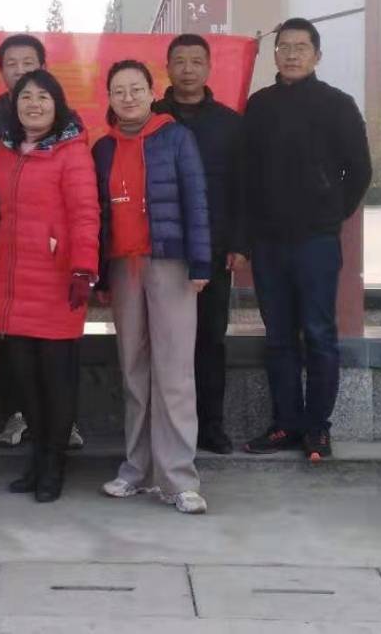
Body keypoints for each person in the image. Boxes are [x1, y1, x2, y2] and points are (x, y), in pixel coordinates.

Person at [236, 18, 372, 463]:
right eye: (285, 47)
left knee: (318, 333)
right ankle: (285, 424)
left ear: (317, 55)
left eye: (301, 47)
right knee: (278, 336)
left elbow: (360, 170)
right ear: (275, 55)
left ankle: (317, 428)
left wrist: (330, 213)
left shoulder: (337, 105)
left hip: (316, 242)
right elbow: (246, 175)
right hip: (269, 243)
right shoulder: (259, 106)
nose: (292, 54)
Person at [93, 60, 211, 515]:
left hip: (170, 263)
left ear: (151, 92)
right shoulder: (103, 148)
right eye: (118, 91)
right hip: (124, 267)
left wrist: (201, 261)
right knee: (133, 369)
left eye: (135, 89)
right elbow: (99, 215)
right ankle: (136, 470)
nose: (128, 98)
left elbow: (196, 200)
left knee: (174, 372)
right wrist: (99, 273)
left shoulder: (176, 137)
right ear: (108, 97)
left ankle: (178, 478)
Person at [0, 70, 99, 502]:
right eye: (26, 97)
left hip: (57, 282)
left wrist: (83, 269)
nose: (34, 104)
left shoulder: (72, 151)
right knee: (25, 382)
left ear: (58, 104)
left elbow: (85, 213)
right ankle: (36, 460)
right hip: (11, 284)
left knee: (56, 383)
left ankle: (54, 465)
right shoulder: (3, 151)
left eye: (43, 97)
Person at [0, 33, 84, 451]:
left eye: (28, 63)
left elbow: (83, 206)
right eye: (12, 64)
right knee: (8, 345)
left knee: (55, 355)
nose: (20, 71)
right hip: (4, 257)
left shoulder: (69, 128)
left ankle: (61, 429)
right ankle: (17, 417)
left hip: (51, 263)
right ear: (1, 71)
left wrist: (83, 265)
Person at [153, 34, 243, 455]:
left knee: (210, 339)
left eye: (196, 61)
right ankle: (166, 427)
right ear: (167, 68)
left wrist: (238, 243)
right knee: (165, 341)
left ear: (209, 68)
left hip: (213, 249)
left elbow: (242, 189)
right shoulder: (151, 118)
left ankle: (211, 425)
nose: (187, 69)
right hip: (160, 249)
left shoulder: (229, 124)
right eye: (179, 61)